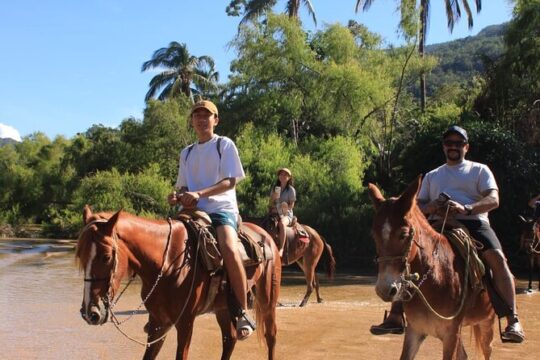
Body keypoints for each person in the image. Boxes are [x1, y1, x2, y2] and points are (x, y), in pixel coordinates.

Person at [370, 125, 525, 343]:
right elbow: (415, 207)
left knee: (497, 259)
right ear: (444, 147)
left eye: (458, 143)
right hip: (436, 224)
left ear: (466, 147)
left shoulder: (479, 170)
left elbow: (493, 199)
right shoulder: (433, 176)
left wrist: (466, 208)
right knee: (408, 253)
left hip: (473, 223)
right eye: (449, 143)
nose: (453, 147)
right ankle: (396, 315)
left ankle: (512, 319)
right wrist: (432, 206)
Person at [167, 100, 255, 340]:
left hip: (220, 208)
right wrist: (177, 195)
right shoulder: (186, 152)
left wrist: (199, 194)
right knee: (166, 243)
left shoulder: (223, 145)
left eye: (207, 115)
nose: (202, 119)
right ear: (192, 121)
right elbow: (183, 184)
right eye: (197, 116)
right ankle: (161, 311)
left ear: (216, 120)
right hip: (192, 211)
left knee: (227, 246)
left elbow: (230, 181)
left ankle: (243, 310)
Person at [269, 168, 296, 257]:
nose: (283, 176)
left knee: (281, 224)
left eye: (285, 175)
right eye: (281, 174)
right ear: (279, 176)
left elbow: (291, 205)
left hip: (287, 214)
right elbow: (271, 203)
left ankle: (281, 249)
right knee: (266, 223)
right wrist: (272, 202)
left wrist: (283, 210)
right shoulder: (276, 189)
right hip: (276, 212)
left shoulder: (291, 190)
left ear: (289, 177)